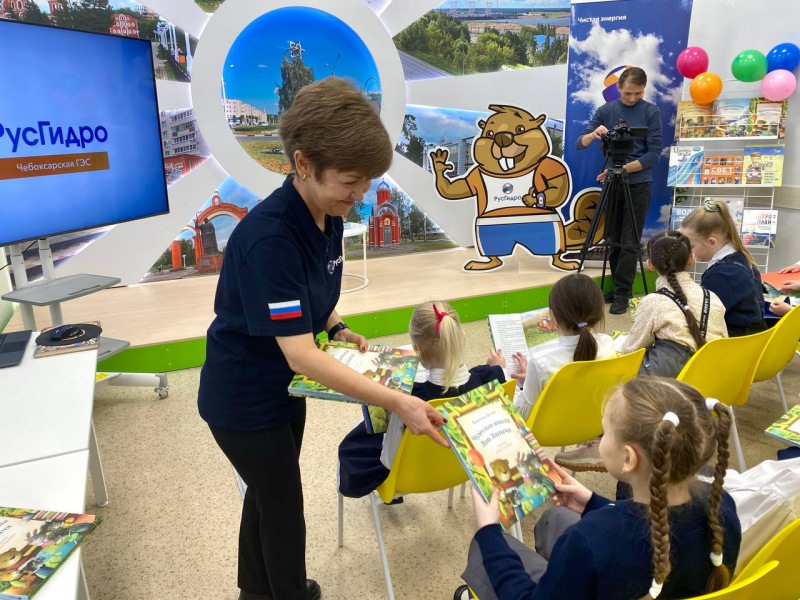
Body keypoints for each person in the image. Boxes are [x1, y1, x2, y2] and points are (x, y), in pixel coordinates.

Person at [197, 78, 446, 600]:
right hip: (243, 398)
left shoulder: (326, 212)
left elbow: (309, 289)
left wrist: (335, 325)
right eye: (350, 182)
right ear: (303, 164)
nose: (360, 195)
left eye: (367, 182)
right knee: (283, 505)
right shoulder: (271, 238)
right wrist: (397, 400)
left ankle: (256, 592)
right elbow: (302, 355)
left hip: (283, 389)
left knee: (266, 495)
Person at [455, 377, 741, 600]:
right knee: (555, 518)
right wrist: (592, 502)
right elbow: (648, 528)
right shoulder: (722, 508)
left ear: (628, 459)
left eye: (604, 433)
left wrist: (489, 531)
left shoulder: (586, 542)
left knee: (485, 549)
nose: (598, 440)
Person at [337, 300, 510, 499]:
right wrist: (500, 368)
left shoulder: (411, 401)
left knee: (351, 446)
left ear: (415, 348)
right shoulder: (490, 379)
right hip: (465, 467)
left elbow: (388, 460)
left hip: (409, 475)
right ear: (462, 338)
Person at [576, 67, 663, 315]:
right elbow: (579, 143)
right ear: (618, 88)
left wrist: (623, 169)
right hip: (613, 183)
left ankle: (623, 294)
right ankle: (617, 288)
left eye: (638, 93)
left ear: (644, 90)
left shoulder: (651, 112)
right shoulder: (606, 110)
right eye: (627, 93)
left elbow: (654, 153)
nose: (632, 98)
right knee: (613, 238)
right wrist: (593, 134)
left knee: (629, 241)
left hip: (639, 184)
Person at [619, 230, 727, 377]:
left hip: (670, 378)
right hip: (711, 373)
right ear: (691, 258)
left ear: (650, 264)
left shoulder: (653, 302)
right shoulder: (712, 297)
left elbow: (631, 349)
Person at [517, 273, 615, 421]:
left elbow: (522, 415)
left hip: (551, 431)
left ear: (552, 316)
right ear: (599, 313)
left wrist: (515, 383)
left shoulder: (540, 362)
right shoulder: (608, 343)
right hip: (596, 422)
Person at [680, 199, 767, 336]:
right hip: (755, 335)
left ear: (712, 242)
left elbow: (701, 317)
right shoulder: (741, 257)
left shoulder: (721, 274)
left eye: (692, 246)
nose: (688, 252)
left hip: (735, 340)